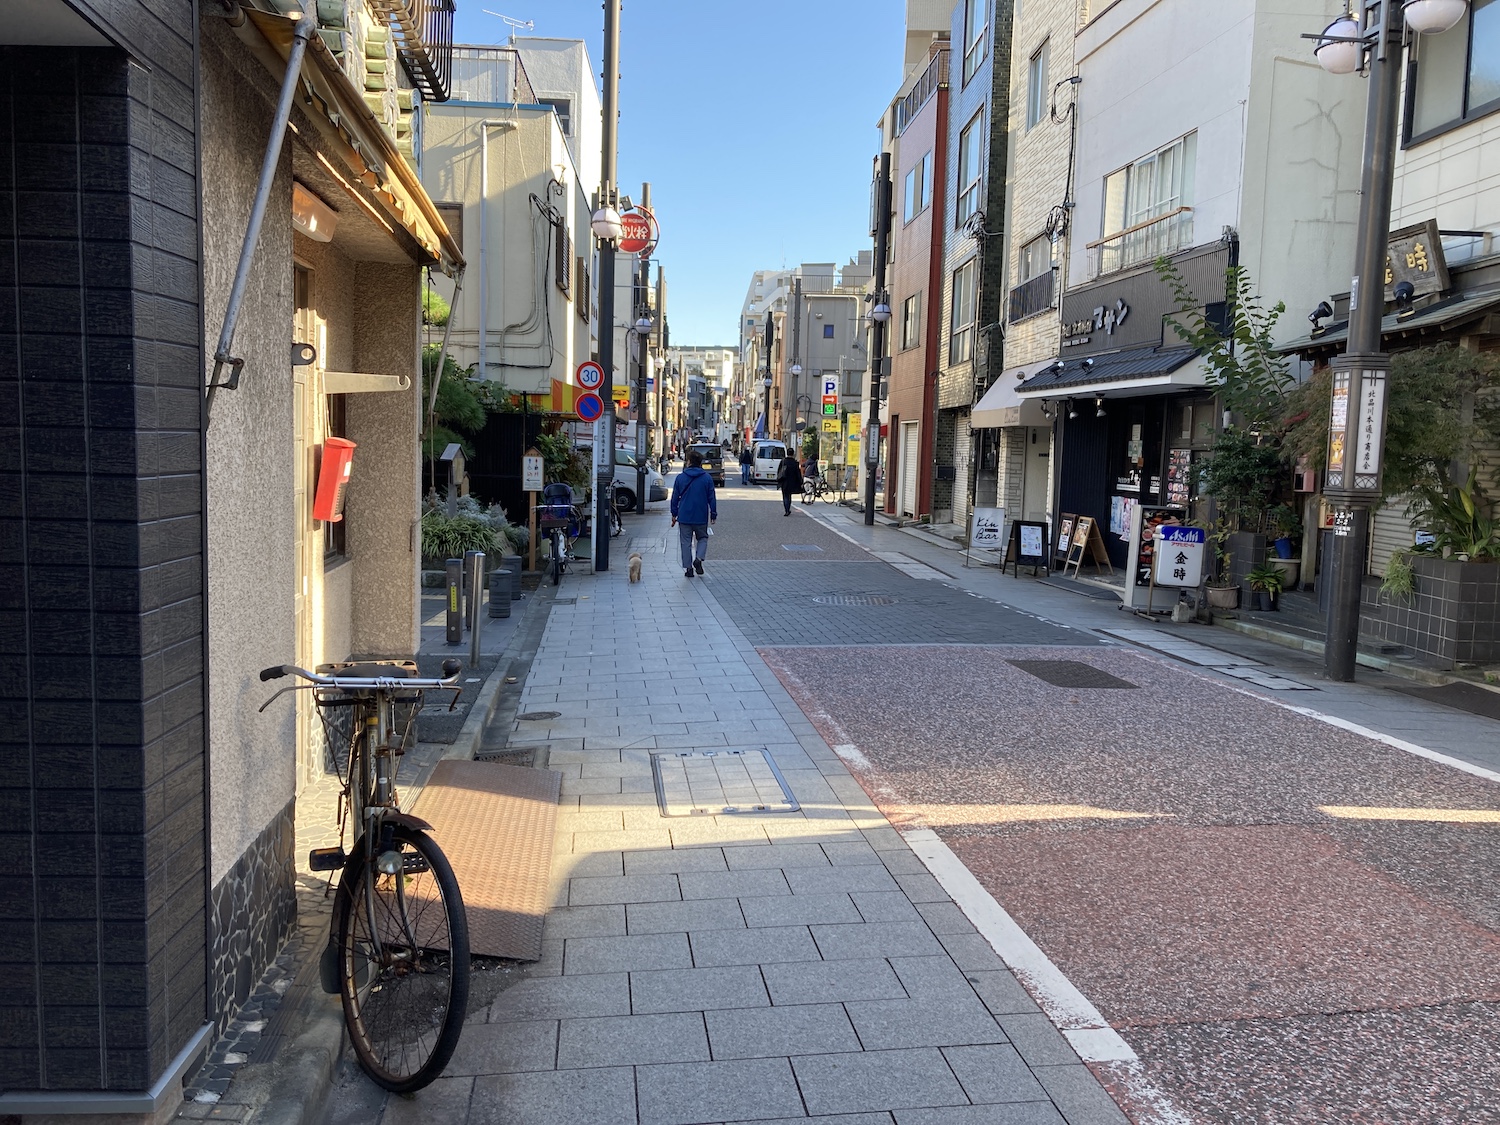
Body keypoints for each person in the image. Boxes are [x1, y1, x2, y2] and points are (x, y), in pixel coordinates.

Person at [670, 448, 717, 577]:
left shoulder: (680, 478)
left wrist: (674, 513)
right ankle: (699, 558)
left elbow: (675, 497)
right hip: (701, 515)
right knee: (703, 538)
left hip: (684, 515)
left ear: (689, 462)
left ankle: (688, 569)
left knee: (685, 542)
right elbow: (712, 498)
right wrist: (713, 513)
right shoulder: (707, 478)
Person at [775, 451, 803, 516]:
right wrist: (801, 482)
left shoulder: (783, 461)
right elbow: (798, 473)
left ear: (787, 453)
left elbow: (779, 470)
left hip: (784, 481)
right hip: (792, 482)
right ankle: (788, 509)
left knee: (785, 496)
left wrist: (778, 478)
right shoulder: (795, 463)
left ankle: (786, 510)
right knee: (789, 495)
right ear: (793, 454)